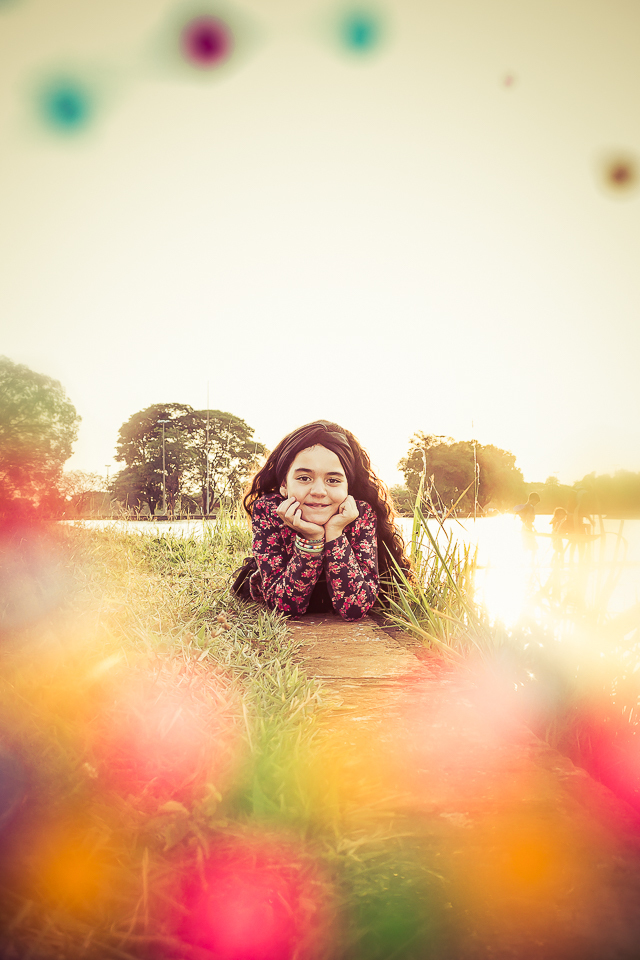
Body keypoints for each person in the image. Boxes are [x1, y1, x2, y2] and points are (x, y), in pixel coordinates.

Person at [234, 420, 412, 621]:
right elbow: (284, 606)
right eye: (304, 478)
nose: (318, 491)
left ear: (347, 488)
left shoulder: (360, 515)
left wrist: (335, 532)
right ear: (284, 484)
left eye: (333, 480)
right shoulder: (269, 511)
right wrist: (312, 540)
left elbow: (355, 608)